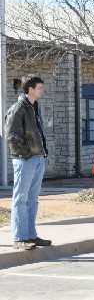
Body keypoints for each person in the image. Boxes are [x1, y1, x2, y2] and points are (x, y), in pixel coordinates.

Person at [4, 75, 52, 250]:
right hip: (26, 160)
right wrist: (27, 154)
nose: (42, 90)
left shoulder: (33, 107)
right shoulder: (18, 108)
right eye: (39, 87)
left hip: (37, 158)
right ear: (30, 89)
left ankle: (31, 235)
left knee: (33, 200)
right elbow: (11, 135)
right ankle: (19, 238)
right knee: (20, 199)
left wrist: (40, 154)